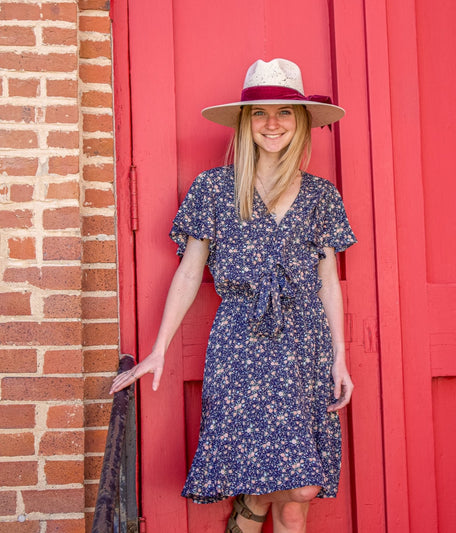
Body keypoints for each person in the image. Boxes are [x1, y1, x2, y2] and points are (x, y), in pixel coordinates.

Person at [110, 58, 357, 533]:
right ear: (245, 123)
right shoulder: (215, 189)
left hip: (305, 342)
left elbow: (328, 282)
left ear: (301, 122)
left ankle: (249, 512)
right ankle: (248, 511)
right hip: (241, 343)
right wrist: (158, 349)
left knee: (298, 492)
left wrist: (340, 359)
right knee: (267, 480)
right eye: (259, 113)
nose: (272, 123)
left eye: (284, 112)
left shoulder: (321, 195)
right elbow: (188, 272)